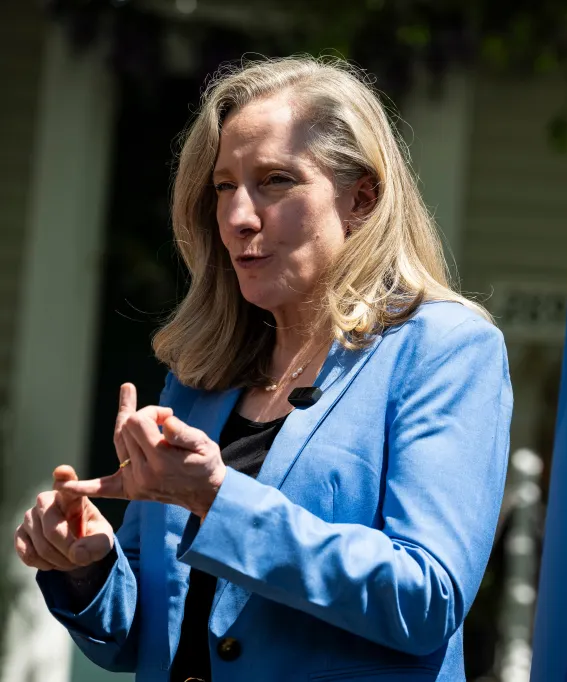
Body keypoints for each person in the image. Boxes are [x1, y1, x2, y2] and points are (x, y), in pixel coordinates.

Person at [12, 55, 513, 682]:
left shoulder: (442, 349)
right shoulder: (200, 376)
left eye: (275, 180)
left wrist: (217, 498)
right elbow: (147, 632)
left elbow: (425, 598)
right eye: (224, 186)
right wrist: (86, 563)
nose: (239, 216)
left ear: (362, 198)